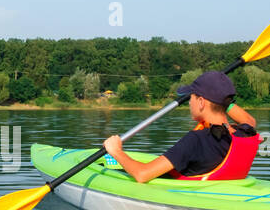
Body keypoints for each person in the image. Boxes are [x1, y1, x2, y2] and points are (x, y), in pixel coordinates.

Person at [103, 71, 257, 182]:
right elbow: (249, 120)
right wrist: (220, 98)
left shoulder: (196, 140)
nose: (189, 102)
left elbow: (142, 175)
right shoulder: (244, 133)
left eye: (191, 97)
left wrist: (116, 150)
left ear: (201, 102)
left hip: (183, 193)